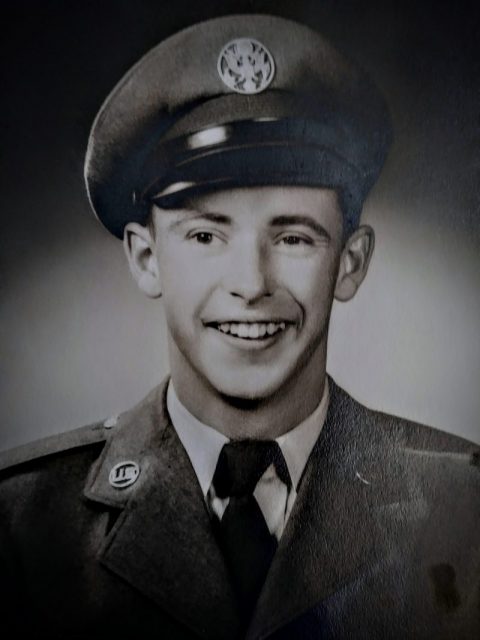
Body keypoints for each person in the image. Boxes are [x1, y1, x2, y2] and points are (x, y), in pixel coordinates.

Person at [0, 14, 478, 639]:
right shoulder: (23, 526)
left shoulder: (463, 512)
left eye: (294, 236)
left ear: (351, 263)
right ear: (148, 260)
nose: (251, 284)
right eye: (205, 235)